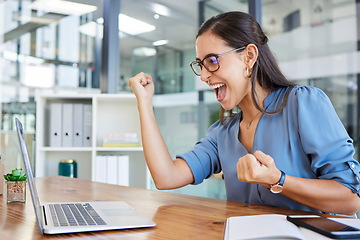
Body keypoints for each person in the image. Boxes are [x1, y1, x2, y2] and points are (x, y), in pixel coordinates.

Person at [128, 11, 360, 216]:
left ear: (249, 56)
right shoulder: (222, 134)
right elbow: (166, 177)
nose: (203, 76)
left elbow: (350, 199)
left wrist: (277, 180)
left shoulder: (303, 103)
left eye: (212, 61)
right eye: (200, 64)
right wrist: (145, 103)